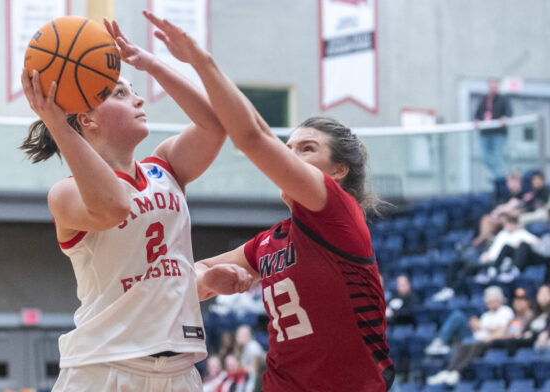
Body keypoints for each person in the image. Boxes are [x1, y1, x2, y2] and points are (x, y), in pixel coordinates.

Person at [141, 11, 393, 391]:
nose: (292, 156)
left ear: (338, 170)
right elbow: (189, 277)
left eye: (307, 149)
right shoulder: (269, 241)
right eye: (289, 147)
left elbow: (252, 136)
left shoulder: (337, 212)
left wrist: (200, 61)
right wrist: (207, 278)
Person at [20, 17, 241, 391]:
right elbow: (114, 206)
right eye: (120, 94)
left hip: (180, 371)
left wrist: (150, 63)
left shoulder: (165, 166)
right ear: (86, 117)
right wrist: (56, 123)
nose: (139, 99)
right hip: (103, 368)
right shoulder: (66, 193)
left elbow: (215, 125)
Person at [426, 286, 514, 386]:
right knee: (458, 317)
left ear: (498, 300)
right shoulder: (486, 315)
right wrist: (475, 326)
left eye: (490, 300)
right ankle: (443, 352)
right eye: (486, 300)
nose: (487, 302)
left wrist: (482, 327)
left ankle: (455, 371)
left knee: (472, 345)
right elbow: (481, 330)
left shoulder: (505, 311)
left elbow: (502, 331)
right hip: (475, 337)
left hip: (488, 342)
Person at [474, 77, 513, 179]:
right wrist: (477, 121)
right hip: (485, 134)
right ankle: (500, 177)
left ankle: (501, 179)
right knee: (486, 158)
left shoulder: (503, 99)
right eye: (491, 84)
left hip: (499, 133)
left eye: (495, 84)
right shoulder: (484, 99)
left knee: (497, 157)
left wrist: (505, 118)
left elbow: (509, 113)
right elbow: (477, 115)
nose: (493, 87)